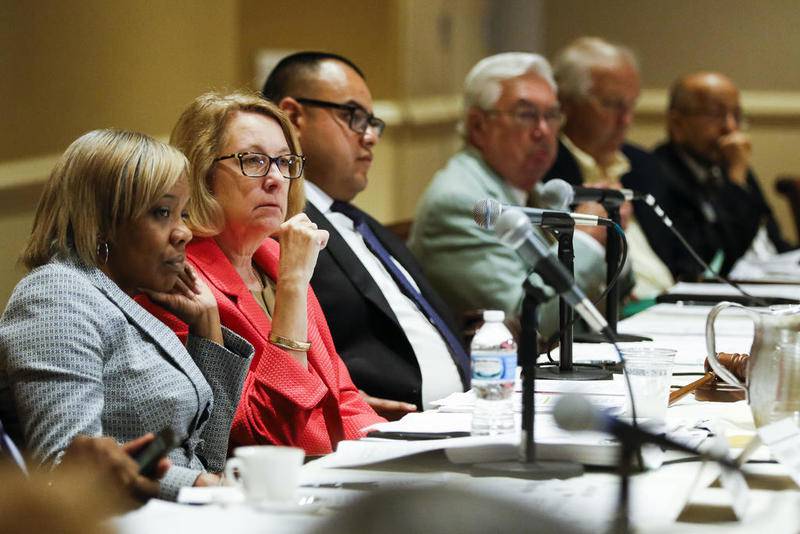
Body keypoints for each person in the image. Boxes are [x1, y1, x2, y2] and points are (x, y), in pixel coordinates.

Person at [0, 129, 254, 500]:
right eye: (161, 212)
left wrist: (207, 325)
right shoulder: (56, 296)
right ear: (102, 222)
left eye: (183, 213)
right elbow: (66, 470)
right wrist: (199, 486)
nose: (183, 231)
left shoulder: (119, 299)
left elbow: (204, 456)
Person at [153, 91, 384, 455]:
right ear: (202, 174)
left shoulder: (275, 257)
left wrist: (396, 451)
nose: (276, 179)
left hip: (339, 470)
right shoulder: (180, 284)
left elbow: (342, 396)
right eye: (254, 160)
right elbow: (259, 434)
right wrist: (293, 287)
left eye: (285, 162)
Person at [263, 52, 468, 418]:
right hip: (375, 433)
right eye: (353, 117)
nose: (371, 136)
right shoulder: (278, 228)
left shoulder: (362, 223)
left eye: (372, 121)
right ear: (293, 117)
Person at [409, 52, 609, 338]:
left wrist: (610, 236)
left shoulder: (532, 190)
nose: (543, 130)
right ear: (478, 126)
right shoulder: (461, 202)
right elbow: (525, 323)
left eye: (552, 115)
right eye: (526, 115)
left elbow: (609, 294)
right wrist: (586, 241)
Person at [544, 36, 675, 299]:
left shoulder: (641, 164)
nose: (626, 119)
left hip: (670, 304)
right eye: (613, 104)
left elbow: (677, 256)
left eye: (631, 105)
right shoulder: (547, 170)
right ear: (567, 102)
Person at [653, 72, 791, 279]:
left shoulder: (728, 162)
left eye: (736, 115)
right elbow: (706, 259)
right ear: (677, 123)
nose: (730, 127)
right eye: (715, 114)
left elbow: (772, 237)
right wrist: (735, 181)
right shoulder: (659, 172)